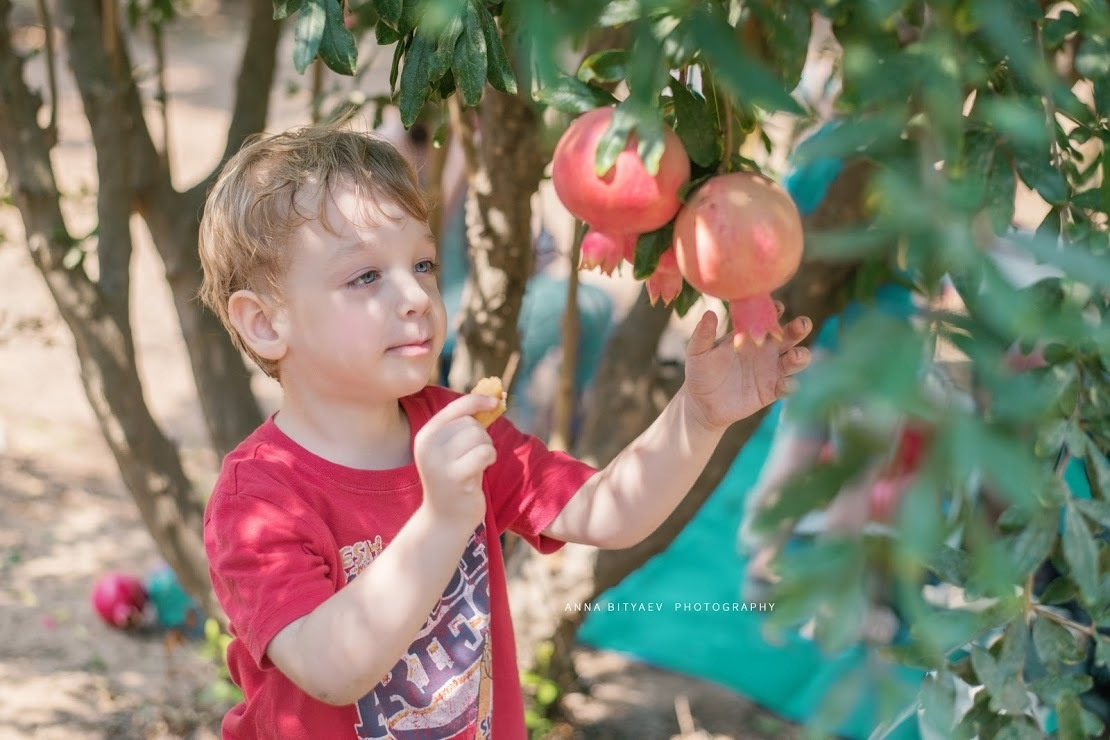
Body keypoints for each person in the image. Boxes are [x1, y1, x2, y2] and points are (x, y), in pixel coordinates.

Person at [196, 119, 813, 739]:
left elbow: (607, 514)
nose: (415, 295)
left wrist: (699, 414)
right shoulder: (260, 500)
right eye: (366, 276)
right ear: (265, 323)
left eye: (424, 263)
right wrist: (441, 518)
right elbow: (333, 669)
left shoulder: (455, 427)